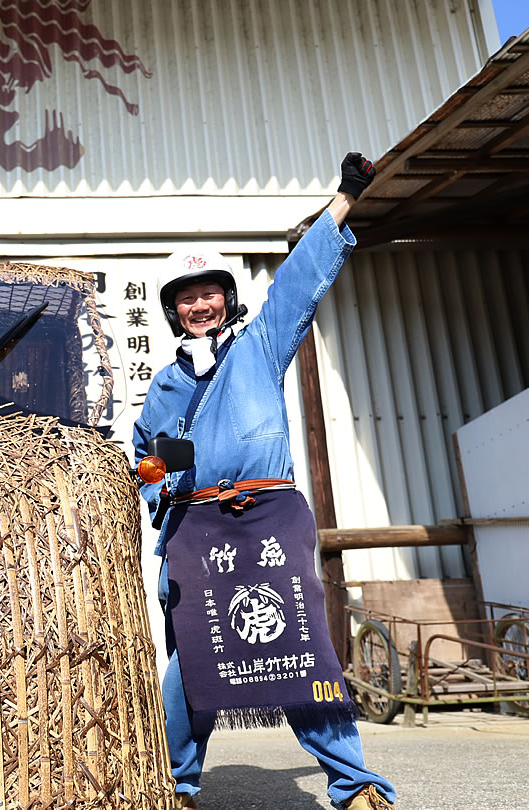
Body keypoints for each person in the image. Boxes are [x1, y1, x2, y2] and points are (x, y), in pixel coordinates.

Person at [133, 153, 397, 810]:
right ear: (172, 312)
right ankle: (177, 787)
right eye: (186, 298)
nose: (200, 305)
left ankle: (355, 784)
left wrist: (345, 198)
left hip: (268, 520)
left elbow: (300, 282)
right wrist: (160, 482)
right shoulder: (163, 390)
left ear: (227, 298)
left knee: (300, 649)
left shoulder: (260, 346)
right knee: (194, 656)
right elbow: (145, 465)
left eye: (210, 292)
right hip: (197, 529)